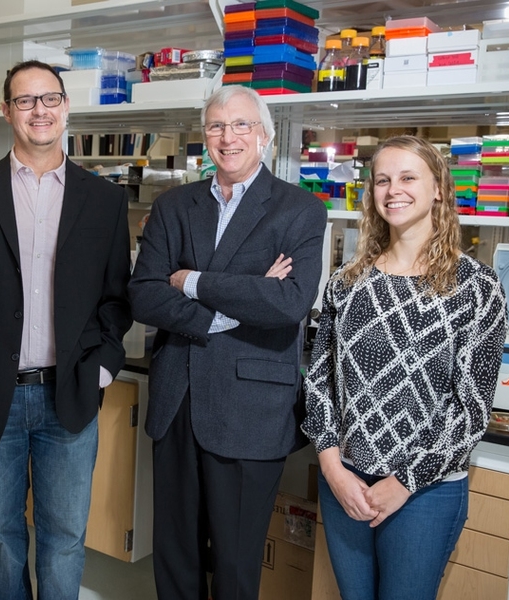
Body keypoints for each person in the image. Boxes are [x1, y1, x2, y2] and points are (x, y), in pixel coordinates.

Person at [0, 60, 132, 600]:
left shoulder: (106, 199)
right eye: (25, 100)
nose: (39, 110)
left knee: (65, 538)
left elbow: (117, 295)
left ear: (65, 106)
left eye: (50, 99)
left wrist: (104, 367)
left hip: (71, 392)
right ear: (6, 110)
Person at [128, 85, 328, 599]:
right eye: (216, 126)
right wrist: (240, 299)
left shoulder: (300, 209)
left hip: (251, 409)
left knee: (238, 564)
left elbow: (288, 303)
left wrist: (192, 280)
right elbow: (145, 296)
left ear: (265, 136)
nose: (228, 136)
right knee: (175, 554)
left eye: (241, 125)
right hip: (177, 400)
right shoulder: (175, 205)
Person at [302, 135, 508, 600]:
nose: (394, 189)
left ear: (439, 188)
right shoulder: (348, 282)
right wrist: (332, 467)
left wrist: (404, 483)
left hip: (425, 492)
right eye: (383, 180)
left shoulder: (476, 287)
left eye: (408, 177)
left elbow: (471, 409)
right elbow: (319, 381)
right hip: (347, 483)